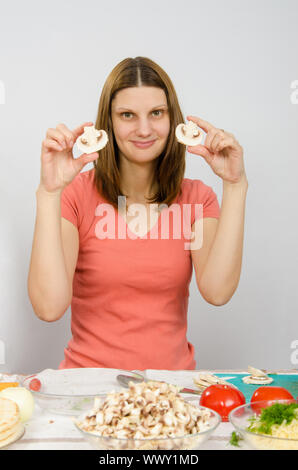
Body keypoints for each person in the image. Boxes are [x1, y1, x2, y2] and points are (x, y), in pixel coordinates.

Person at [27, 56, 248, 371]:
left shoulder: (197, 199)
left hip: (170, 393)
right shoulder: (76, 195)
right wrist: (49, 193)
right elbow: (48, 307)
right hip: (88, 389)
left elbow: (218, 291)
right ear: (109, 123)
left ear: (173, 120)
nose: (144, 129)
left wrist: (235, 185)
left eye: (156, 113)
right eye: (127, 115)